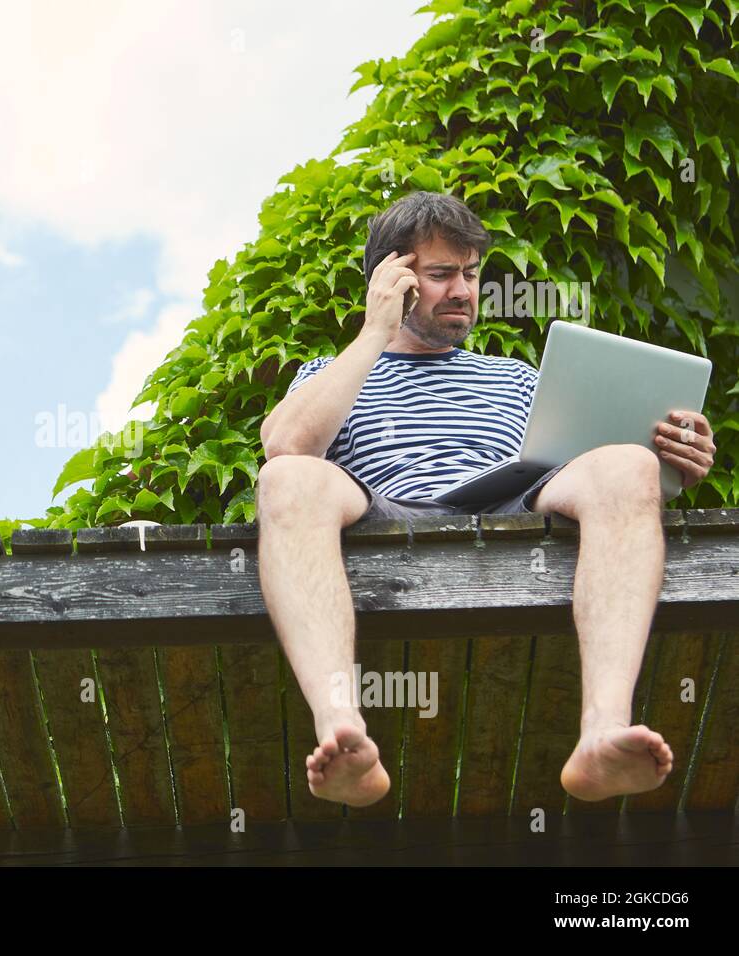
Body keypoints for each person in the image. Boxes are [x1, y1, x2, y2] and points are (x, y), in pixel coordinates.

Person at [256, 191, 716, 807]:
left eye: (471, 273)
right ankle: (342, 731)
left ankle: (604, 730)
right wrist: (375, 331)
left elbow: (600, 477)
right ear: (390, 280)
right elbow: (285, 444)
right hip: (385, 508)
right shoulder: (331, 373)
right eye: (441, 274)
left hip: (510, 505)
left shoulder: (517, 379)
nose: (464, 290)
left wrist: (672, 460)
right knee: (287, 478)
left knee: (629, 463)